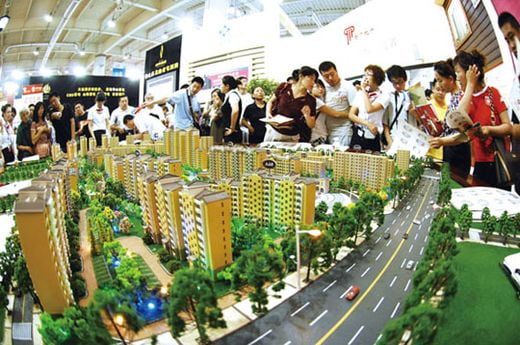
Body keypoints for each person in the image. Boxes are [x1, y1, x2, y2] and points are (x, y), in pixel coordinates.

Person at [455, 50, 511, 188]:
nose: (456, 77)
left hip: (498, 161)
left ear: (470, 71)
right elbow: (459, 116)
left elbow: (508, 127)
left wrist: (488, 130)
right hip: (479, 163)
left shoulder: (493, 93)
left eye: (458, 72)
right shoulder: (465, 98)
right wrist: (470, 86)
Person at [428, 59, 471, 178]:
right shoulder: (452, 98)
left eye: (440, 80)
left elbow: (463, 133)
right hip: (450, 149)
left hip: (458, 151)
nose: (439, 84)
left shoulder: (460, 97)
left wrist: (442, 141)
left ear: (451, 79)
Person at [264, 66, 317, 142]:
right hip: (273, 132)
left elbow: (312, 124)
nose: (313, 83)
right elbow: (270, 102)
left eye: (314, 80)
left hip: (292, 136)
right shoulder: (284, 87)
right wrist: (268, 113)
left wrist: (307, 115)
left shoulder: (311, 100)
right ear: (301, 76)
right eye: (311, 79)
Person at [349, 64, 390, 151]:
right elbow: (351, 115)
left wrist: (363, 89)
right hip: (359, 133)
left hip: (373, 135)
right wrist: (367, 124)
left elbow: (369, 109)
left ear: (377, 78)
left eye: (368, 75)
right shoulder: (360, 94)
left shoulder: (384, 96)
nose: (365, 78)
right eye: (364, 75)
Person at [318, 61, 356, 146]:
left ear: (336, 71)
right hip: (325, 132)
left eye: (332, 74)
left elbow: (355, 110)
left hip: (343, 130)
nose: (330, 78)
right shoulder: (322, 88)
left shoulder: (348, 86)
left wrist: (337, 114)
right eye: (326, 76)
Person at [383, 65, 418, 148]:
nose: (398, 86)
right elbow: (385, 123)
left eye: (400, 82)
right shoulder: (389, 98)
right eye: (394, 83)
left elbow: (424, 121)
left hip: (413, 140)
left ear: (405, 79)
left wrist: (414, 113)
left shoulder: (415, 95)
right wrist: (389, 141)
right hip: (394, 138)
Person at [427, 79, 448, 161]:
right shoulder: (427, 105)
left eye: (443, 90)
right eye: (438, 89)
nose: (440, 93)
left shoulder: (449, 108)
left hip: (443, 153)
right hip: (427, 151)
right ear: (433, 89)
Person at [220, 75, 243, 144]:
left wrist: (232, 128)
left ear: (227, 86)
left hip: (233, 134)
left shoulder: (233, 95)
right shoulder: (228, 95)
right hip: (228, 132)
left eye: (221, 84)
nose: (220, 86)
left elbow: (235, 111)